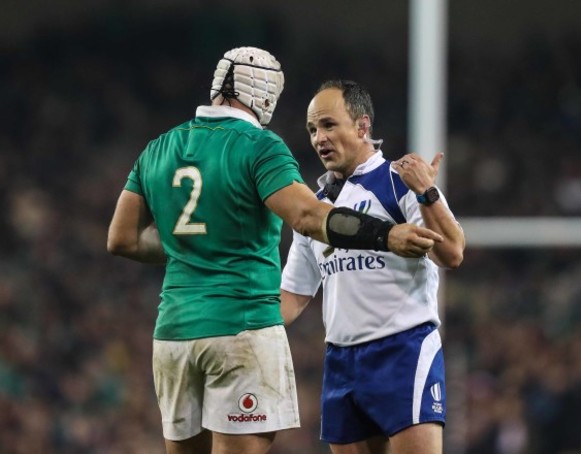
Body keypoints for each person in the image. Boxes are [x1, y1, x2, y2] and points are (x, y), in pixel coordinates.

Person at [106, 49, 441, 454]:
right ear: (265, 95)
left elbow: (121, 239)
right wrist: (386, 236)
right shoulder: (259, 146)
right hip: (241, 326)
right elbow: (308, 216)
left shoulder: (157, 149)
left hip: (173, 333)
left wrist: (194, 247)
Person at [281, 79, 466, 454]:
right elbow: (293, 297)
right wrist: (238, 323)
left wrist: (426, 192)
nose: (319, 138)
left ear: (363, 127)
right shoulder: (315, 209)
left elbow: (453, 254)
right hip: (340, 360)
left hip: (402, 349)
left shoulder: (400, 181)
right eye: (313, 129)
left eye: (329, 125)